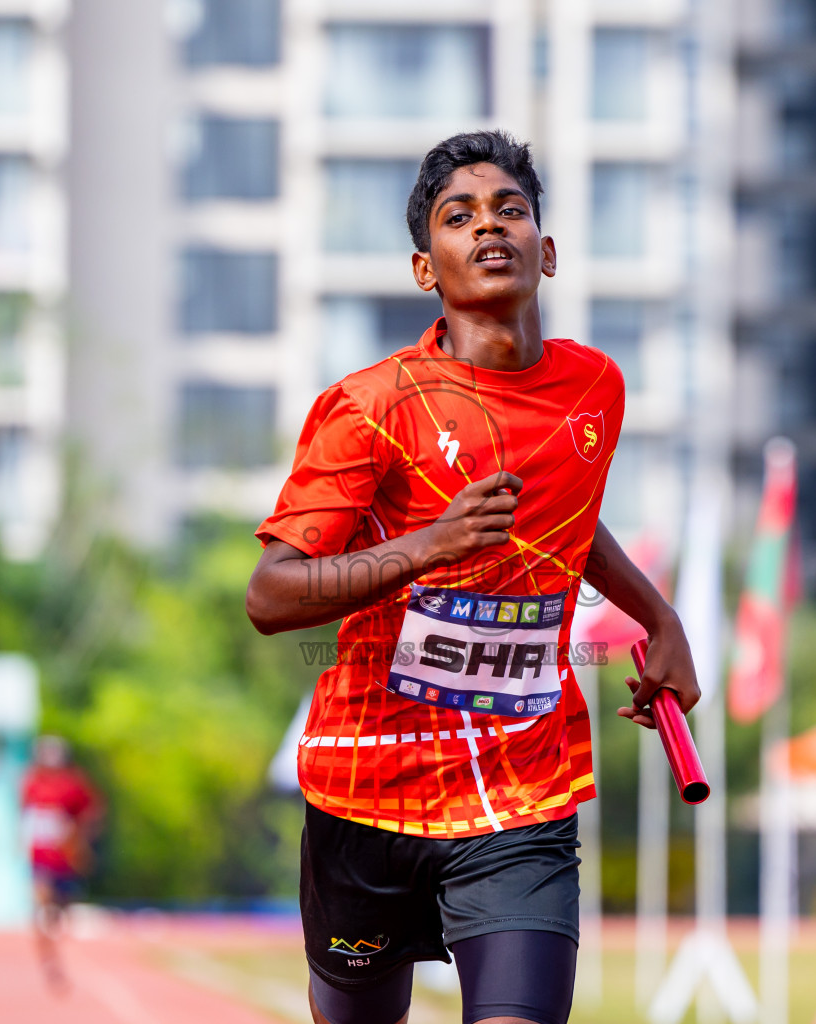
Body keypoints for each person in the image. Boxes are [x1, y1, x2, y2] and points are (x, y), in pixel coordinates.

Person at [247, 130, 699, 1024]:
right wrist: (427, 547)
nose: (490, 227)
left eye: (511, 210)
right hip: (370, 787)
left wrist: (658, 615)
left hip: (523, 789)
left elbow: (563, 523)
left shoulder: (594, 390)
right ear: (427, 267)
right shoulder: (370, 409)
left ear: (549, 250)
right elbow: (271, 595)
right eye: (460, 217)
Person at [20, 735, 102, 991]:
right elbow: (26, 815)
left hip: (66, 860)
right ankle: (49, 961)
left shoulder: (75, 785)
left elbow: (93, 813)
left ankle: (56, 945)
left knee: (61, 913)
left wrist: (80, 841)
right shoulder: (31, 783)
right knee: (41, 907)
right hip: (40, 859)